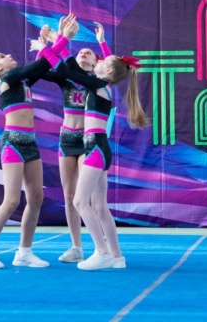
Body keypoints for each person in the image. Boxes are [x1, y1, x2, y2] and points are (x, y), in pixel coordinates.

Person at [0, 14, 78, 270]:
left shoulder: (21, 80)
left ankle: (24, 251)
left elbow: (39, 67)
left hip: (30, 144)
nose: (8, 54)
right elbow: (39, 64)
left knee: (37, 197)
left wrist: (47, 44)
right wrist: (62, 38)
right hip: (13, 144)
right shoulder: (7, 80)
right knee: (11, 201)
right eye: (2, 56)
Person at [44, 23, 148, 271]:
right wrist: (95, 42)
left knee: (81, 202)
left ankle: (102, 252)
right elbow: (107, 68)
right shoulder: (101, 85)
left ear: (107, 70)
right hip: (97, 147)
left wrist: (51, 43)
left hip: (94, 148)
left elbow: (67, 68)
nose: (99, 59)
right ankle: (117, 257)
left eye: (102, 60)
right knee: (99, 206)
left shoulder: (99, 86)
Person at [38, 22, 109, 264]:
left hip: (88, 140)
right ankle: (76, 246)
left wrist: (102, 42)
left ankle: (101, 243)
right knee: (69, 196)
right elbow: (39, 70)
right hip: (67, 138)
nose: (84, 53)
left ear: (96, 62)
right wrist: (47, 44)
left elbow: (112, 67)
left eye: (89, 52)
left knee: (89, 198)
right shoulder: (65, 78)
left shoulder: (98, 81)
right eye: (81, 51)